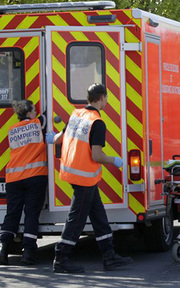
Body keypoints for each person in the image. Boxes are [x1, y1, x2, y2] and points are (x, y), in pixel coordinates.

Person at [49, 83, 132, 273]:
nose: (107, 101)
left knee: (98, 216)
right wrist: (115, 160)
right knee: (76, 219)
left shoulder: (76, 115)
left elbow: (58, 138)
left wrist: (51, 137)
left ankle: (109, 256)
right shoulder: (97, 122)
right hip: (84, 177)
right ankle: (61, 258)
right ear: (102, 98)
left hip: (74, 173)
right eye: (106, 98)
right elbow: (96, 156)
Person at [0, 100, 48, 265]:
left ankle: (3, 249)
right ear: (28, 113)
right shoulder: (37, 124)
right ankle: (28, 253)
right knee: (31, 214)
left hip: (13, 178)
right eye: (33, 110)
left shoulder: (12, 129)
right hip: (34, 177)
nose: (36, 112)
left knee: (12, 214)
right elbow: (47, 116)